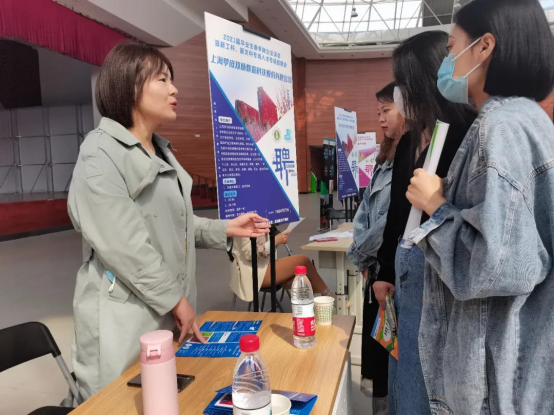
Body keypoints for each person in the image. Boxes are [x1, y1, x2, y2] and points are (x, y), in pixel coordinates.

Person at [68, 41, 271, 399]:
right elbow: (125, 245)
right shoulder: (99, 153)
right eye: (162, 80)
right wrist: (177, 302)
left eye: (171, 79)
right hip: (124, 320)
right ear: (128, 86)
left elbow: (171, 222)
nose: (174, 89)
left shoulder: (160, 150)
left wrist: (226, 227)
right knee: (120, 400)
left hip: (164, 307)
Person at [406, 0, 554, 414]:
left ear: (484, 46)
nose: (448, 61)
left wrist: (435, 205)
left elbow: (495, 267)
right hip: (518, 363)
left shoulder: (500, 127)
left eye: (452, 48)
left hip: (495, 377)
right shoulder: (529, 120)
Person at [373, 31, 477, 415]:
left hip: (442, 279)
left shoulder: (470, 135)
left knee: (430, 380)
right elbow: (396, 215)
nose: (398, 93)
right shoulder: (410, 140)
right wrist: (385, 271)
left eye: (402, 82)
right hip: (405, 275)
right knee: (404, 371)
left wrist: (437, 202)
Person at [346, 82, 404, 416]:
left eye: (387, 111)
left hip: (390, 274)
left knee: (390, 359)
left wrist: (361, 254)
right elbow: (365, 213)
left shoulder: (410, 159)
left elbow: (390, 221)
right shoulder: (384, 160)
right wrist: (365, 257)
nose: (380, 119)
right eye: (378, 112)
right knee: (378, 356)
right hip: (375, 271)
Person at [230, 230, 332, 303]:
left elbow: (264, 250)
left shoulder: (261, 220)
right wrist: (274, 241)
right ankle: (328, 296)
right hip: (252, 274)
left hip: (263, 266)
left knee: (300, 279)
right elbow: (250, 253)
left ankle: (321, 300)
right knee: (302, 260)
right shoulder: (245, 223)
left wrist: (274, 242)